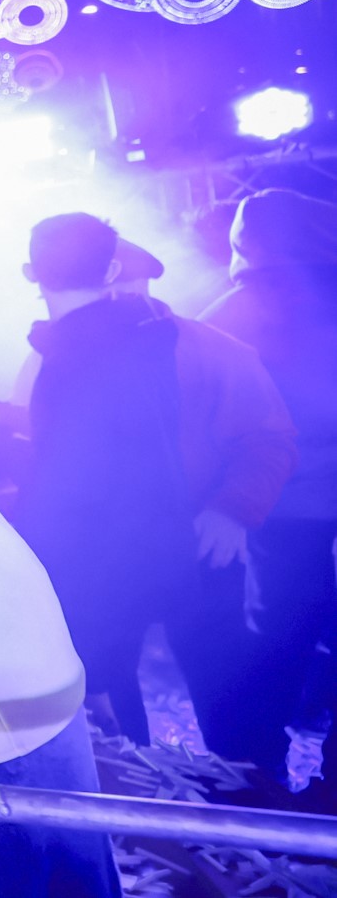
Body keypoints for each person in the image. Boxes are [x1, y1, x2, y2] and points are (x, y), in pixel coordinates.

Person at [11, 215, 292, 775]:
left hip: (199, 543)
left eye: (126, 291)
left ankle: (259, 794)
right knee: (108, 682)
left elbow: (270, 437)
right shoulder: (52, 356)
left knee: (226, 680)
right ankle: (142, 797)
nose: (116, 302)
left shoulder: (211, 349)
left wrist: (231, 510)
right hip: (109, 553)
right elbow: (42, 450)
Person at [204, 189, 337, 801]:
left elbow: (204, 417)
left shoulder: (228, 316)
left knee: (276, 637)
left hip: (281, 509)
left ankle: (265, 780)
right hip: (295, 505)